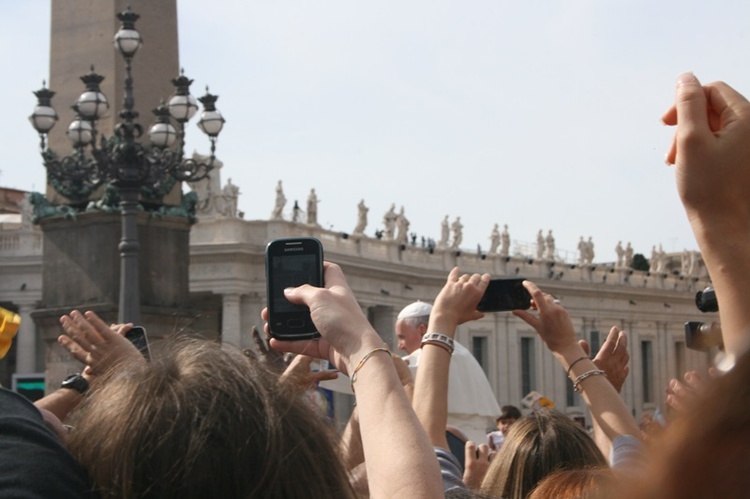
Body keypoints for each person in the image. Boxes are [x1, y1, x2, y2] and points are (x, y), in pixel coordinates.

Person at [396, 298, 500, 444]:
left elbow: (383, 379)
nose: (400, 346)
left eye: (402, 337)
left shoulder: (426, 358)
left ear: (422, 330)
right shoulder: (463, 353)